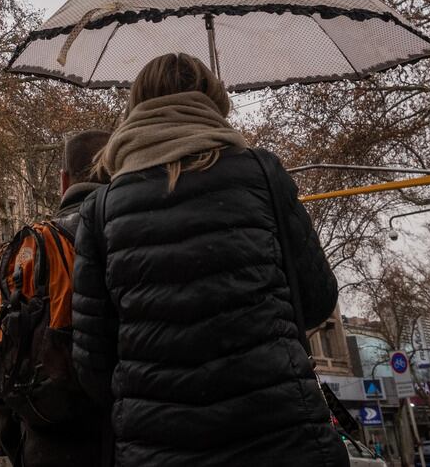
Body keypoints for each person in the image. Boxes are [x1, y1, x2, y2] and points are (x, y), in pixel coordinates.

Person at [72, 52, 348, 467]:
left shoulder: (100, 210)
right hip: (280, 433)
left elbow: (93, 360)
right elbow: (317, 298)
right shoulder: (263, 174)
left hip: (158, 446)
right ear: (214, 101)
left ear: (136, 107)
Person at [0, 129, 112, 467]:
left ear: (63, 180)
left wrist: (23, 445)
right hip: (117, 439)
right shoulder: (128, 238)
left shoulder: (29, 251)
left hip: (45, 445)